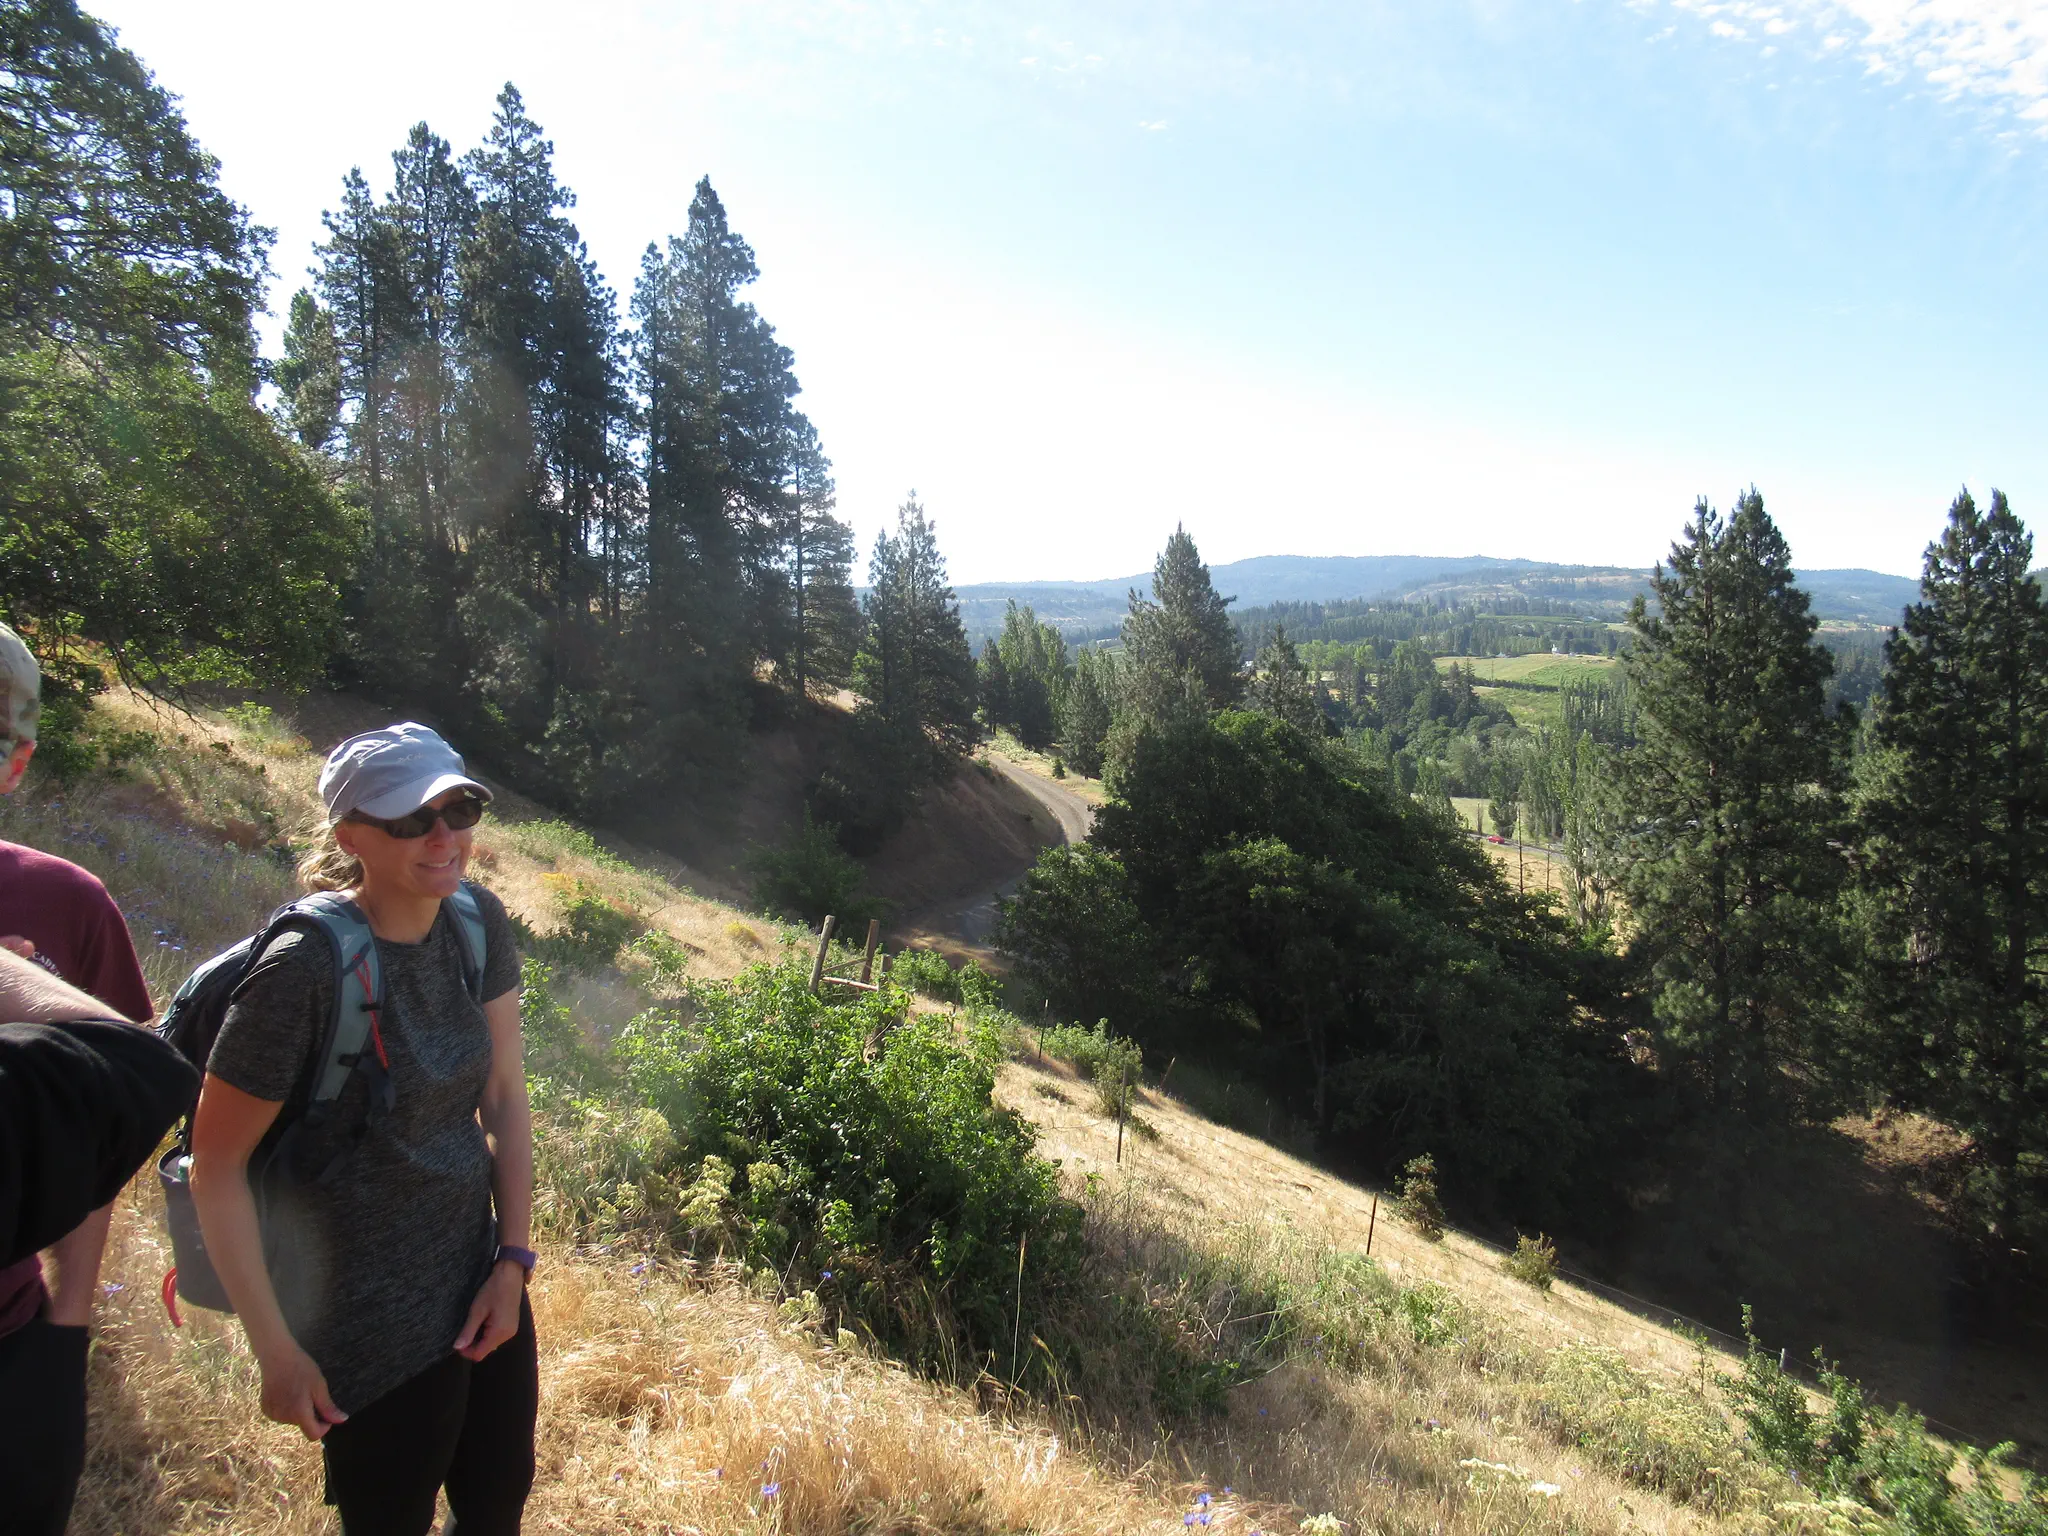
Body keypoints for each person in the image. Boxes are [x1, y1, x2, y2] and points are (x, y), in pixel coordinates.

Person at [189, 722, 538, 1535]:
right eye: (411, 820)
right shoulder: (303, 971)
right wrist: (276, 1352)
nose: (444, 838)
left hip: (476, 1272)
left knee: (497, 1503)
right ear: (351, 836)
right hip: (363, 1312)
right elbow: (217, 1167)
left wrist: (513, 1261)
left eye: (458, 810)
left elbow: (505, 1098)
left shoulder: (476, 921)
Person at [0, 622, 160, 1536]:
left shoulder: (66, 902)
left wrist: (66, 1326)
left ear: (16, 763)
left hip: (14, 1335)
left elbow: (124, 1103)